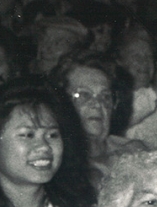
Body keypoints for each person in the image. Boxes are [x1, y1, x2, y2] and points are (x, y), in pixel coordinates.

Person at [53, 53, 142, 184]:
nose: (97, 104)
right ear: (61, 102)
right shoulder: (55, 165)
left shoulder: (135, 152)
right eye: (84, 95)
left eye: (105, 97)